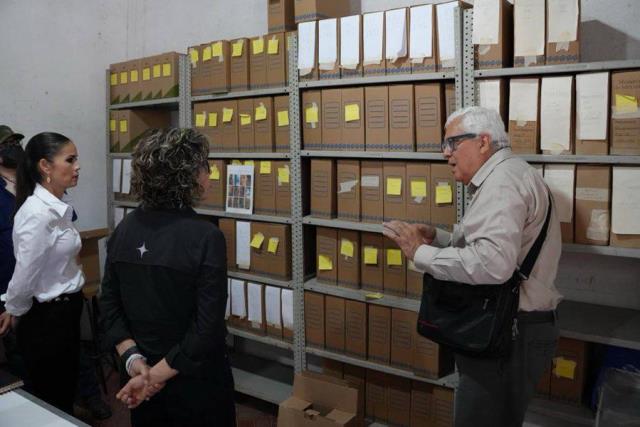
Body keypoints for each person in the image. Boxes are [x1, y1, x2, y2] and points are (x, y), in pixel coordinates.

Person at [383, 106, 562, 427]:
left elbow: (493, 264)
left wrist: (421, 253)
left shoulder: (502, 183)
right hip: (512, 329)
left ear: (483, 141)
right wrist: (439, 238)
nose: (445, 153)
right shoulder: (509, 174)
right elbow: (496, 248)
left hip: (508, 332)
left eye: (452, 142)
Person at [99, 128, 235, 427]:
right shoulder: (206, 237)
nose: (210, 173)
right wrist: (155, 376)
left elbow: (108, 304)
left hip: (140, 374)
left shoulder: (124, 228)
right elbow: (207, 325)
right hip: (193, 380)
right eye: (205, 166)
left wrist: (134, 361)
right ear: (188, 177)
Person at [0, 132, 84, 415]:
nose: (77, 166)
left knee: (63, 388)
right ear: (45, 166)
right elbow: (25, 273)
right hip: (47, 317)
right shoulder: (37, 213)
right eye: (70, 160)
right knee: (53, 394)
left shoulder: (57, 206)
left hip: (65, 310)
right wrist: (14, 308)